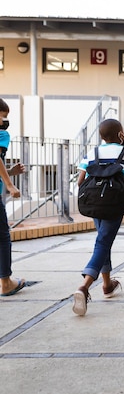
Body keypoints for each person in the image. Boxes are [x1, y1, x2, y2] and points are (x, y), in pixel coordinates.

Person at [72, 119, 124, 315]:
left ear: (101, 137)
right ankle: (84, 287)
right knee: (103, 243)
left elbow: (80, 182)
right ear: (120, 134)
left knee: (103, 240)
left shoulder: (93, 153)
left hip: (93, 203)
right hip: (114, 204)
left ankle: (107, 285)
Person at [0, 98, 27, 297]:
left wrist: (9, 172)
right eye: (4, 116)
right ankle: (6, 283)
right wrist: (9, 184)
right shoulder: (2, 134)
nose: (6, 121)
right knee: (2, 237)